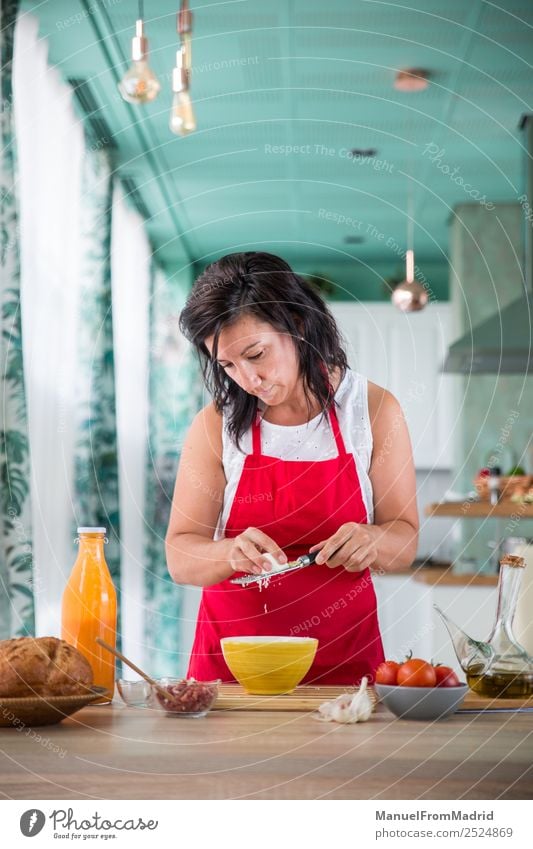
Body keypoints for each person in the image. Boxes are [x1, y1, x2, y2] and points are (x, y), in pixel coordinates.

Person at [166, 252, 419, 685]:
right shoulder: (215, 425)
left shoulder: (374, 411)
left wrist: (373, 540)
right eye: (227, 365)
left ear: (298, 325)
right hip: (232, 672)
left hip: (343, 664)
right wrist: (228, 553)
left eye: (256, 354)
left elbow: (405, 541)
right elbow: (179, 555)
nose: (247, 379)